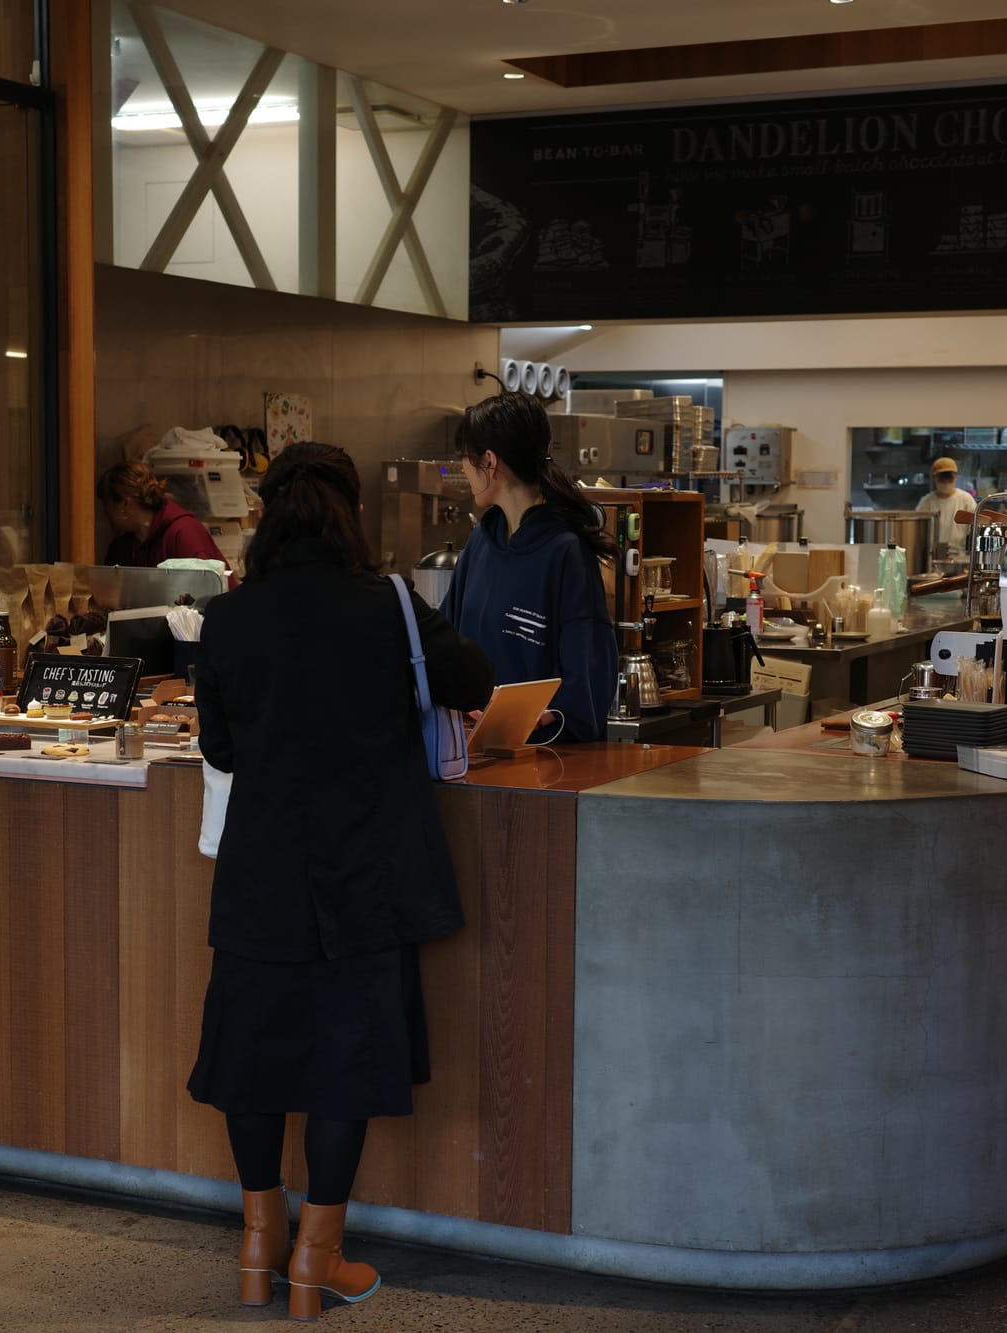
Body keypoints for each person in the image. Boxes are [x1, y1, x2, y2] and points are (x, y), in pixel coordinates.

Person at [188, 442, 491, 1321]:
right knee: (340, 1062)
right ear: (349, 513)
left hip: (261, 872)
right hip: (365, 870)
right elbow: (473, 676)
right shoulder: (389, 605)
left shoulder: (231, 618)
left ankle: (257, 1251)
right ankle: (317, 1261)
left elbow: (221, 749)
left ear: (266, 516)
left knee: (252, 1058)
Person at [443, 392, 618, 741]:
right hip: (473, 751)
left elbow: (587, 678)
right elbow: (447, 643)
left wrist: (544, 714)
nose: (463, 468)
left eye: (466, 458)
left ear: (490, 462)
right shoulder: (482, 540)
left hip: (542, 761)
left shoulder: (565, 550)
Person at [96, 460, 229, 569]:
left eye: (106, 506)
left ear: (125, 505)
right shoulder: (123, 546)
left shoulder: (184, 532)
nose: (106, 514)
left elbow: (207, 592)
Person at [915, 455, 978, 542]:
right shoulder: (926, 502)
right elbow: (917, 530)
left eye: (949, 478)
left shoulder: (966, 500)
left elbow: (976, 527)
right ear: (934, 478)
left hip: (959, 552)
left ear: (955, 477)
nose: (946, 482)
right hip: (932, 552)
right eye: (942, 478)